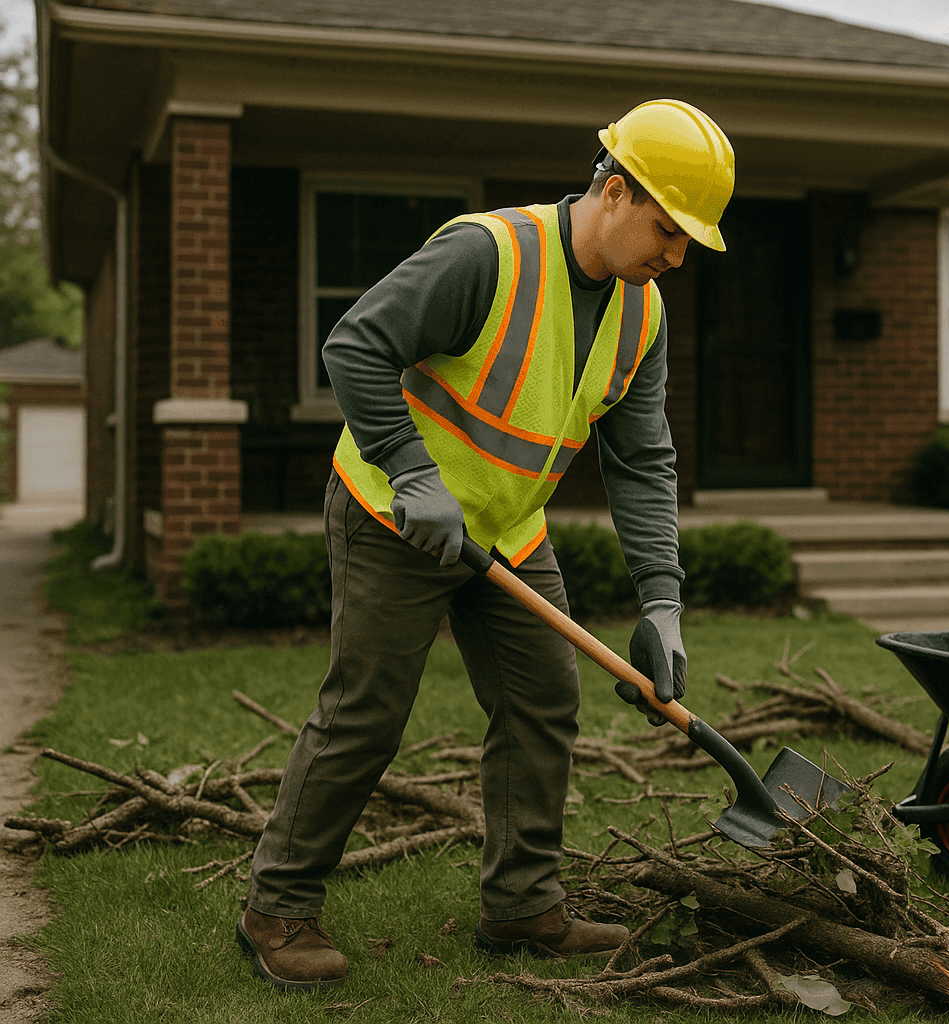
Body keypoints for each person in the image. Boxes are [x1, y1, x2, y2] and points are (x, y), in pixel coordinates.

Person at [235, 99, 735, 993]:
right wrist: (410, 471)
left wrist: (662, 599)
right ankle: (277, 906)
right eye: (666, 230)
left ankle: (521, 906)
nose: (674, 256)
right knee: (367, 710)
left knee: (544, 699)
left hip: (505, 531)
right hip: (395, 512)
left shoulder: (640, 314)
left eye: (688, 241)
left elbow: (643, 460)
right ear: (614, 192)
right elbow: (354, 345)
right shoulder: (489, 255)